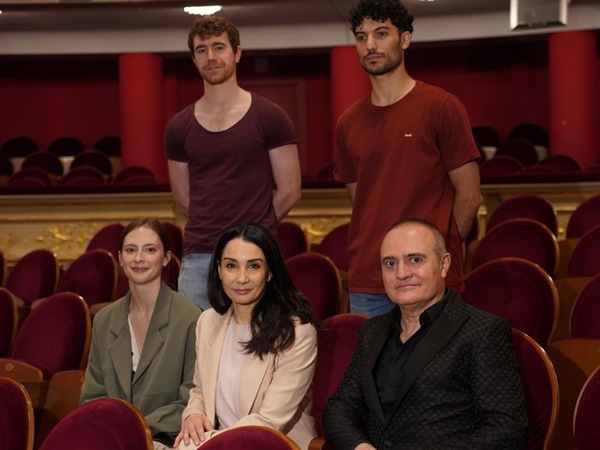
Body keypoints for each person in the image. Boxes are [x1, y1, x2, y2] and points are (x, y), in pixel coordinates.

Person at [323, 218, 527, 449]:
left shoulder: (482, 331)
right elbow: (340, 407)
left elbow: (506, 430)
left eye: (415, 260)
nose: (401, 273)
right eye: (390, 263)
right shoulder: (372, 330)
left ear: (444, 264)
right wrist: (359, 446)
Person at [334, 0, 483, 316]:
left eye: (381, 33)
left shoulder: (441, 107)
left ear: (405, 39)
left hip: (428, 279)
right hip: (368, 278)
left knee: (433, 366)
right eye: (361, 37)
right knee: (373, 367)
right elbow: (360, 201)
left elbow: (470, 197)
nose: (370, 44)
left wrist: (438, 254)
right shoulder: (348, 122)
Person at [165, 16, 302, 310]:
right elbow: (183, 199)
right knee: (197, 349)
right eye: (202, 50)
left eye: (219, 47)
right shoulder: (178, 127)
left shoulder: (270, 116)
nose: (211, 57)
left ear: (237, 53)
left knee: (257, 346)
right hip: (200, 254)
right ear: (194, 59)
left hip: (255, 252)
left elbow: (290, 190)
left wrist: (254, 229)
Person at [174, 223, 317, 450]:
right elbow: (199, 391)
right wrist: (193, 415)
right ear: (219, 270)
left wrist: (208, 444)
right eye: (231, 266)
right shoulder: (207, 321)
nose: (241, 278)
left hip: (271, 444)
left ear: (269, 272)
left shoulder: (298, 334)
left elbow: (270, 421)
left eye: (253, 266)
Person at [80, 218, 201, 450]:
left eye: (150, 250)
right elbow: (92, 396)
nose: (138, 258)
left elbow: (191, 397)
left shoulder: (191, 317)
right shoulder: (105, 320)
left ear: (166, 258)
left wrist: (135, 427)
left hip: (168, 439)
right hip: (112, 439)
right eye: (131, 250)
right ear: (120, 258)